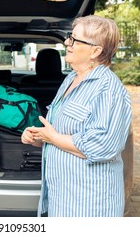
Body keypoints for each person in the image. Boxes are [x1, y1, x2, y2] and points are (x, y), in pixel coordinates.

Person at [21, 15, 132, 217]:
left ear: (95, 51)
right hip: (62, 200)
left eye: (74, 40)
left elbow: (102, 147)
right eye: (69, 37)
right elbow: (62, 131)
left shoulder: (108, 89)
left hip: (90, 205)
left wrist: (52, 137)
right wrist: (38, 137)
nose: (66, 43)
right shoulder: (72, 78)